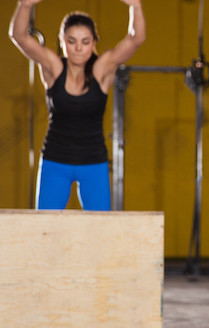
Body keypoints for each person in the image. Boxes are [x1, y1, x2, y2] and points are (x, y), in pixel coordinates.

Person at [9, 0, 146, 210]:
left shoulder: (102, 69)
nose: (78, 48)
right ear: (62, 42)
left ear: (93, 43)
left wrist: (135, 6)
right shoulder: (53, 67)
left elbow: (136, 38)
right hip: (55, 161)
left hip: (93, 163)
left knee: (99, 230)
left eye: (85, 41)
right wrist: (25, 5)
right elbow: (19, 36)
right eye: (71, 41)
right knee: (44, 229)